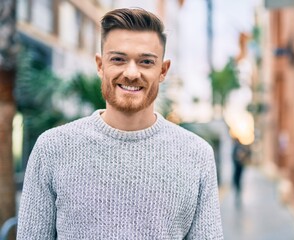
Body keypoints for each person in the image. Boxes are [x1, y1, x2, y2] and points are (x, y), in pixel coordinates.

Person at [17, 8, 223, 239]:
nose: (132, 73)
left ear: (163, 70)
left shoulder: (196, 154)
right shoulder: (52, 148)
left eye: (146, 61)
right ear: (100, 65)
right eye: (118, 59)